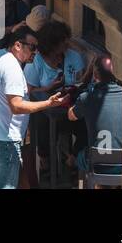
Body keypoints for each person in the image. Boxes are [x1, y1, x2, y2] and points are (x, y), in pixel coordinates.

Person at [0, 25, 71, 189]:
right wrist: (48, 103)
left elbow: (15, 92)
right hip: (3, 141)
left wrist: (45, 89)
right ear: (17, 45)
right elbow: (17, 106)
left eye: (37, 47)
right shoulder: (12, 68)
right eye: (32, 47)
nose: (36, 51)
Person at [24, 18, 90, 176]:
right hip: (45, 106)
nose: (67, 44)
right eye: (63, 42)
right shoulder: (36, 61)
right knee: (43, 124)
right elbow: (28, 90)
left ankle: (73, 157)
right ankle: (45, 159)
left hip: (69, 106)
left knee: (85, 124)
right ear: (52, 44)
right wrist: (48, 88)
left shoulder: (73, 56)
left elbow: (80, 81)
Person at [67, 55, 122, 185]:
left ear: (94, 75)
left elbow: (71, 116)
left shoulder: (87, 97)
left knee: (80, 154)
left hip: (96, 163)